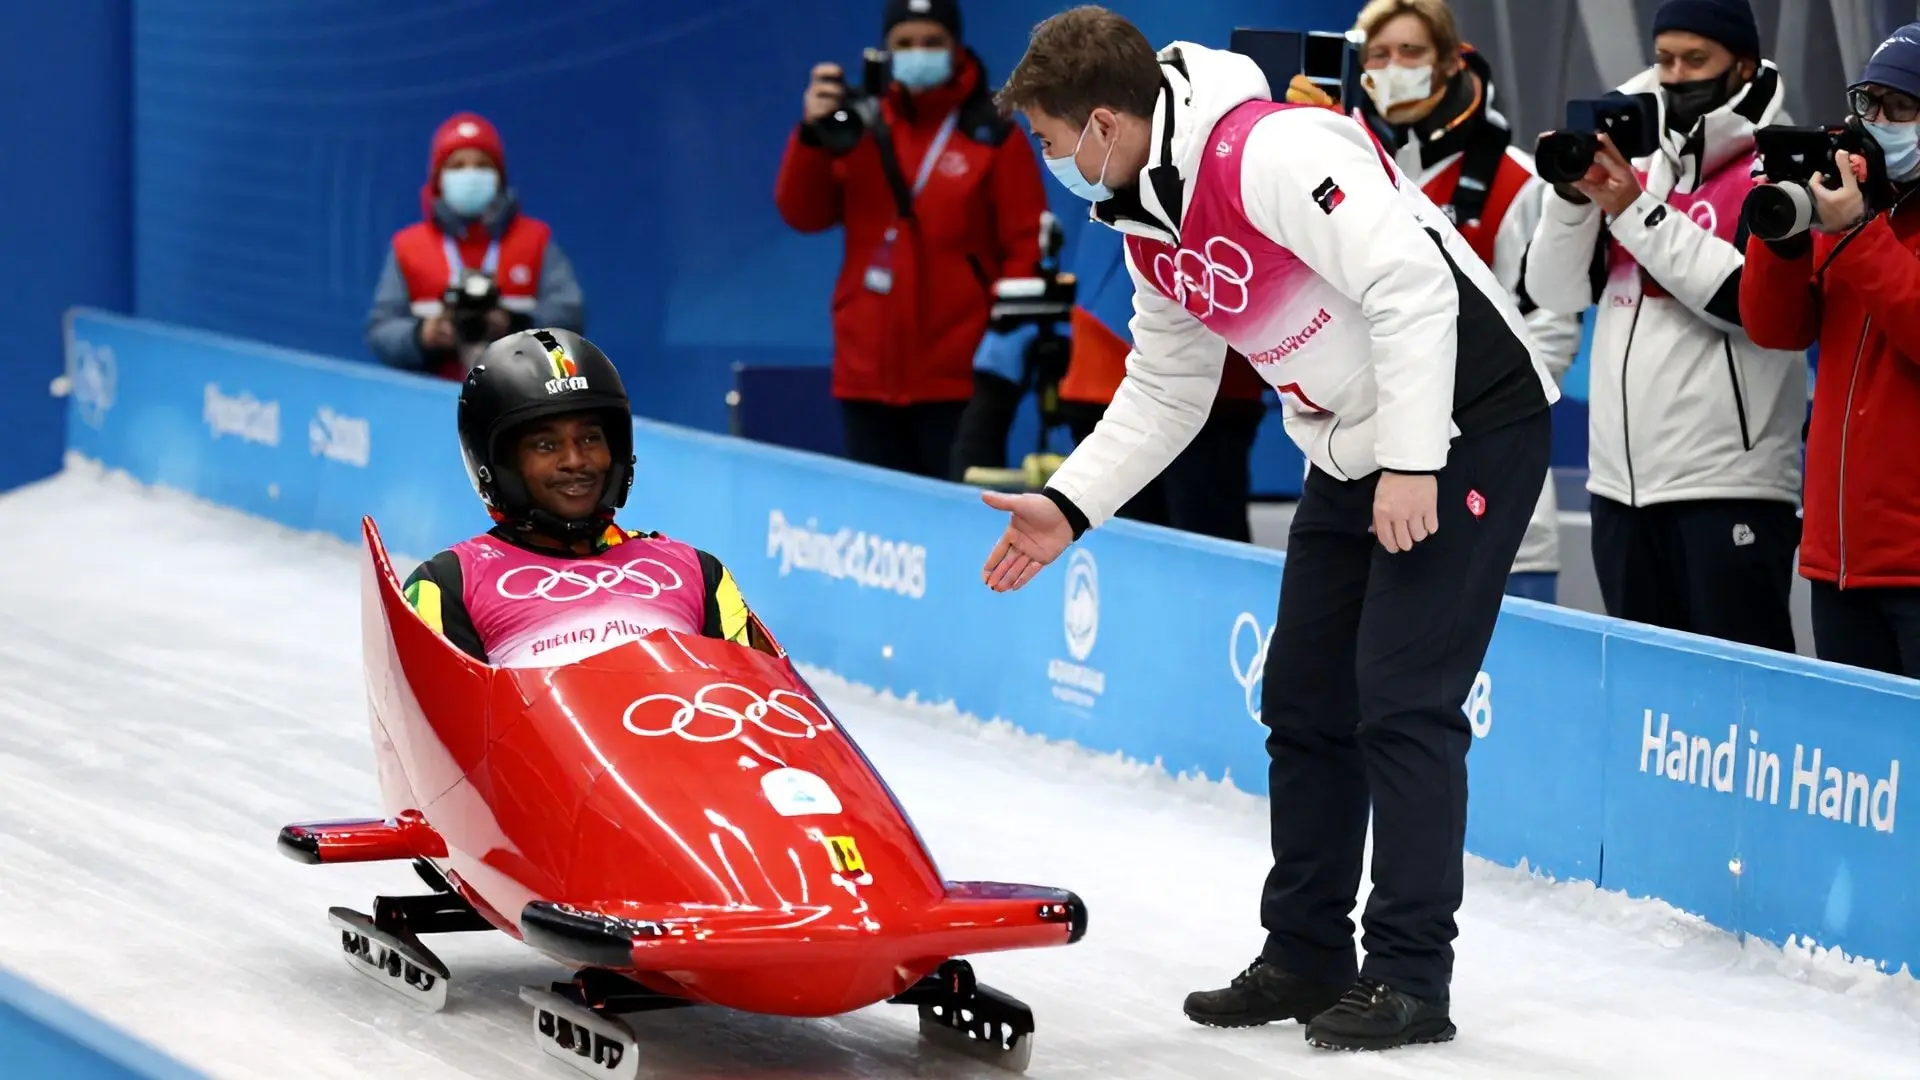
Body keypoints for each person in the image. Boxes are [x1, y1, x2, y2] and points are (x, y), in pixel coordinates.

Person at [982, 5, 1559, 1051]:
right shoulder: (1146, 216)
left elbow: (1413, 286)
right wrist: (1068, 505)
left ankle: (1411, 977)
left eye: (1051, 139)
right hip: (1347, 439)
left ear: (1104, 122)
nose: (1050, 160)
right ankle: (1304, 953)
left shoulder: (1269, 153)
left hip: (1463, 420)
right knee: (1302, 696)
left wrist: (1416, 460)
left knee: (1401, 699)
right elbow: (1166, 388)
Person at [1524, 0, 1806, 649]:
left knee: (1740, 699)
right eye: (1665, 59)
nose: (1676, 75)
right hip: (1620, 486)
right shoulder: (1633, 153)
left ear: (1741, 64)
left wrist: (1635, 210)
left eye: (1696, 60)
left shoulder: (1775, 166)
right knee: (1649, 707)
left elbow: (1747, 303)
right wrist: (1571, 203)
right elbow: (1554, 292)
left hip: (1730, 484)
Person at [1290, 0, 1583, 600]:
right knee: (1368, 685)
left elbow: (1546, 331)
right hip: (1366, 488)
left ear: (1451, 63)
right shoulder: (1336, 171)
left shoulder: (1514, 182)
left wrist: (1440, 422)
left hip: (1488, 481)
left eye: (1411, 52)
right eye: (1378, 54)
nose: (1393, 66)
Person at [775, 0, 1049, 478]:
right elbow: (803, 213)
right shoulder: (855, 122)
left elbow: (1025, 243)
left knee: (961, 524)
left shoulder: (990, 131)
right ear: (885, 50)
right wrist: (812, 135)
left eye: (931, 42)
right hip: (866, 371)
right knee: (878, 531)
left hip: (960, 377)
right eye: (904, 43)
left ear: (956, 47)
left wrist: (1001, 354)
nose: (917, 53)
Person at [402, 328, 765, 667]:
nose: (575, 460)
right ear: (499, 465)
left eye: (590, 439)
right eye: (546, 445)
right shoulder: (449, 586)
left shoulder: (699, 574)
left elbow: (763, 696)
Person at [1740, 24, 1920, 677]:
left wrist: (1859, 233)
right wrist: (1784, 237)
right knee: (1858, 769)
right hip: (1839, 557)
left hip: (1914, 563)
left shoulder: (1863, 226)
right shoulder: (1862, 212)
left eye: (1901, 107)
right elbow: (1776, 328)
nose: (1878, 122)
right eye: (1869, 103)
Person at [367, 113, 586, 382]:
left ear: (499, 177)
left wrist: (516, 326)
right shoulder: (408, 247)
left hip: (521, 399)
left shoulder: (535, 240)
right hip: (431, 400)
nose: (470, 174)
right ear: (439, 178)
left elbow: (571, 317)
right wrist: (423, 336)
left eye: (482, 165)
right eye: (457, 166)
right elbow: (380, 331)